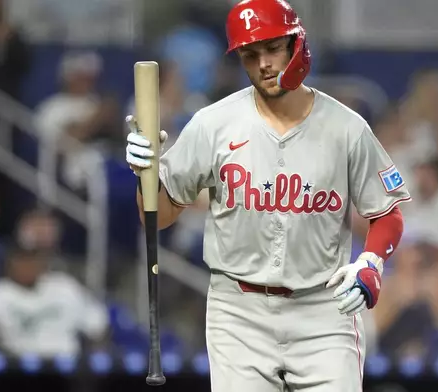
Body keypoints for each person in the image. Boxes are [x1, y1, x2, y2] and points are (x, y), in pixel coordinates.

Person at [125, 0, 410, 390]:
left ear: (296, 44)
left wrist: (372, 261)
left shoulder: (347, 128)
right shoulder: (213, 124)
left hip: (322, 309)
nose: (264, 63)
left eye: (272, 48)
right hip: (238, 312)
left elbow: (387, 212)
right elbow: (156, 215)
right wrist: (146, 174)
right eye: (250, 53)